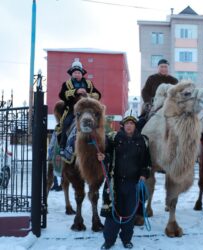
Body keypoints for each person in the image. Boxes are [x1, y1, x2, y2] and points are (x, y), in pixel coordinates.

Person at [99, 111, 150, 250]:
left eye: (132, 123)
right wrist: (103, 156)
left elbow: (147, 162)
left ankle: (126, 239)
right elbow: (106, 152)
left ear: (135, 126)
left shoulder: (143, 141)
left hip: (133, 183)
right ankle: (109, 241)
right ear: (123, 125)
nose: (129, 126)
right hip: (115, 183)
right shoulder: (114, 138)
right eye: (127, 123)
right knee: (112, 213)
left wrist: (144, 175)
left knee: (129, 214)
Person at [57, 59, 101, 153]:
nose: (77, 74)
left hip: (87, 109)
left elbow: (98, 95)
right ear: (72, 74)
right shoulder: (66, 84)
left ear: (82, 74)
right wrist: (75, 92)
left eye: (79, 72)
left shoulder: (89, 84)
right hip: (72, 109)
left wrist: (88, 95)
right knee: (65, 124)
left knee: (98, 123)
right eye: (75, 72)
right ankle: (63, 145)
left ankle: (98, 144)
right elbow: (62, 95)